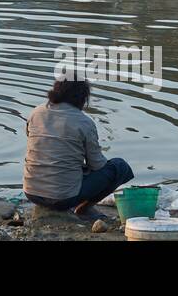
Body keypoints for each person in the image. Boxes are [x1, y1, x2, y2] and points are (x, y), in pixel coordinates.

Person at [22, 79, 132, 220]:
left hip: (31, 192)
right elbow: (97, 164)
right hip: (62, 199)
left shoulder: (35, 113)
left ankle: (57, 202)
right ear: (82, 98)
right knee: (119, 166)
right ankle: (83, 209)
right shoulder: (84, 122)